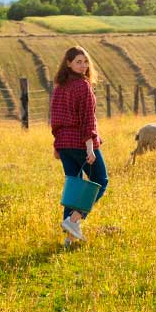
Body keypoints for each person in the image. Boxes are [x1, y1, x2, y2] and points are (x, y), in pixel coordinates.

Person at [50, 45, 108, 244]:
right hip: (80, 143)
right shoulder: (82, 86)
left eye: (85, 62)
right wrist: (90, 147)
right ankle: (73, 219)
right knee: (100, 180)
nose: (83, 66)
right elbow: (87, 120)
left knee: (73, 187)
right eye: (78, 62)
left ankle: (69, 238)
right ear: (68, 63)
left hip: (65, 144)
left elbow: (55, 119)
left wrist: (57, 145)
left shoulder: (60, 86)